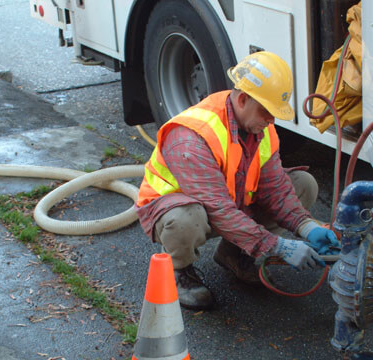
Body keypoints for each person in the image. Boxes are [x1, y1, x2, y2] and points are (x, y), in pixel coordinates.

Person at [135, 51, 339, 310]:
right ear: (243, 99)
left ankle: (234, 254)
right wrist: (277, 246)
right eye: (267, 112)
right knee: (186, 218)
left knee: (303, 184)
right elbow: (218, 209)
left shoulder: (260, 126)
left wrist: (306, 226)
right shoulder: (192, 138)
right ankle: (179, 271)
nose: (271, 120)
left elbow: (276, 190)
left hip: (228, 203)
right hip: (179, 213)